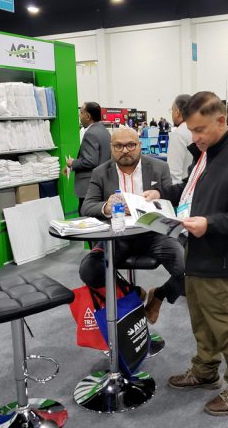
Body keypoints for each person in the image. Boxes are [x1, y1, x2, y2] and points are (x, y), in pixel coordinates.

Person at [144, 91, 228, 416]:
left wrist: (210, 224)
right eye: (191, 130)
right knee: (201, 314)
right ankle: (205, 370)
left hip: (219, 253)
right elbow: (191, 190)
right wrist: (161, 192)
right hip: (197, 249)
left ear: (221, 121)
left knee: (227, 321)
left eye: (200, 129)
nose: (194, 136)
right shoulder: (207, 153)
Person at [80, 127, 185, 324]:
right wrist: (107, 206)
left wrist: (157, 199)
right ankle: (132, 292)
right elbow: (87, 206)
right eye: (119, 146)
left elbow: (171, 201)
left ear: (140, 145)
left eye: (130, 145)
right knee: (89, 270)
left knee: (188, 268)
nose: (125, 150)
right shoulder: (100, 172)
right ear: (111, 148)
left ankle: (159, 295)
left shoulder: (159, 167)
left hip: (154, 233)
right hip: (117, 236)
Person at [64, 102, 111, 213]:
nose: (79, 116)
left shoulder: (90, 134)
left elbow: (90, 161)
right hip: (103, 184)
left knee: (86, 215)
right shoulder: (105, 131)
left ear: (88, 116)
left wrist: (72, 163)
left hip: (89, 187)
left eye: (81, 113)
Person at [167, 94, 192, 183]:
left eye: (172, 110)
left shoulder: (178, 134)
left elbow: (173, 173)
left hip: (183, 187)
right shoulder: (199, 131)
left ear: (177, 112)